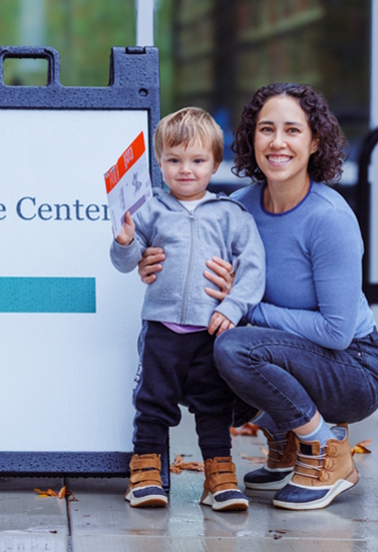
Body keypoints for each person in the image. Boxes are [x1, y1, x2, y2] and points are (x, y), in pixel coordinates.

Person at [138, 83, 378, 511]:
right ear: (250, 139)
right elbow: (195, 287)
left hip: (354, 368)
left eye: (292, 130)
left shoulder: (329, 219)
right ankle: (285, 433)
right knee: (182, 349)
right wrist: (150, 264)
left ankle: (326, 447)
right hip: (283, 351)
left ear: (314, 143)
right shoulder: (237, 207)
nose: (277, 142)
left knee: (233, 346)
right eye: (266, 129)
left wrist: (246, 306)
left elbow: (336, 331)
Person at [110, 107, 265, 511]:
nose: (185, 170)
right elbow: (127, 263)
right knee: (153, 401)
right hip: (162, 330)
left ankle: (219, 477)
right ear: (159, 163)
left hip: (209, 333)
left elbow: (253, 268)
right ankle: (145, 474)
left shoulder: (231, 214)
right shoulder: (149, 210)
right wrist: (126, 241)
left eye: (197, 161)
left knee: (213, 406)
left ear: (215, 163)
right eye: (174, 160)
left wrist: (232, 306)